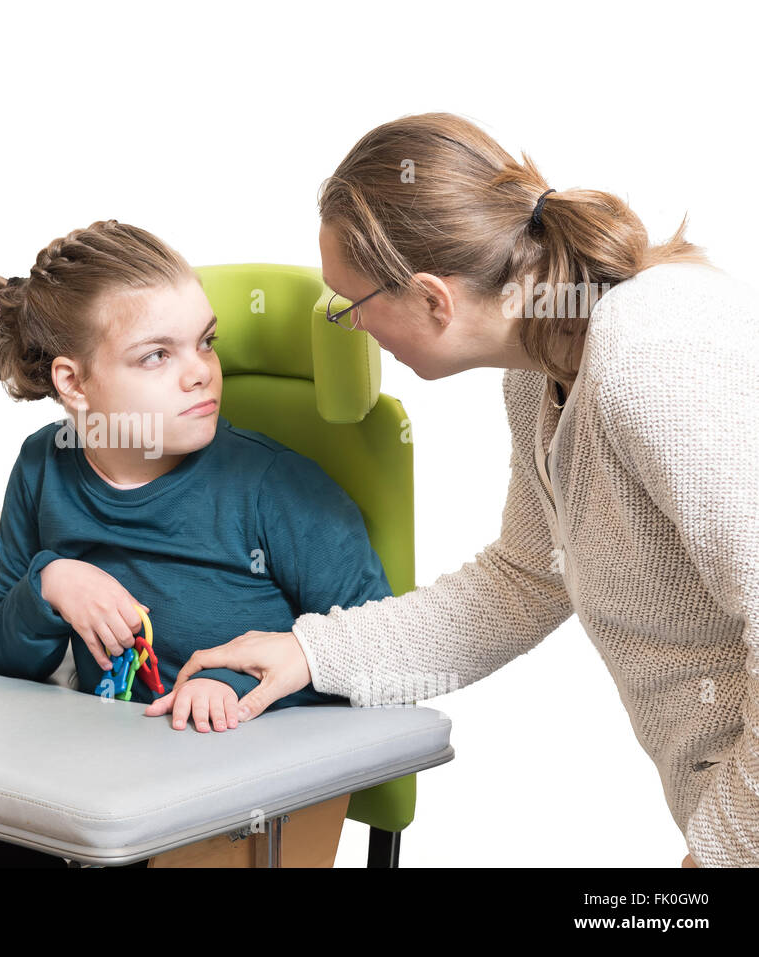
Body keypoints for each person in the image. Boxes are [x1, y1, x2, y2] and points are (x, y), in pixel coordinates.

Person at [164, 112, 759, 868]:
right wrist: (313, 652)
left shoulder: (654, 356)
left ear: (430, 299)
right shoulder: (539, 371)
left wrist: (723, 854)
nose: (348, 328)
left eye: (349, 307)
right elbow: (523, 580)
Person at [0, 221, 394, 866]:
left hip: (226, 814)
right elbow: (9, 657)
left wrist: (231, 683)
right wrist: (50, 583)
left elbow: (380, 656)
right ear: (73, 384)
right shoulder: (43, 465)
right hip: (91, 793)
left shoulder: (277, 488)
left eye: (207, 343)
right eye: (156, 355)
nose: (201, 374)